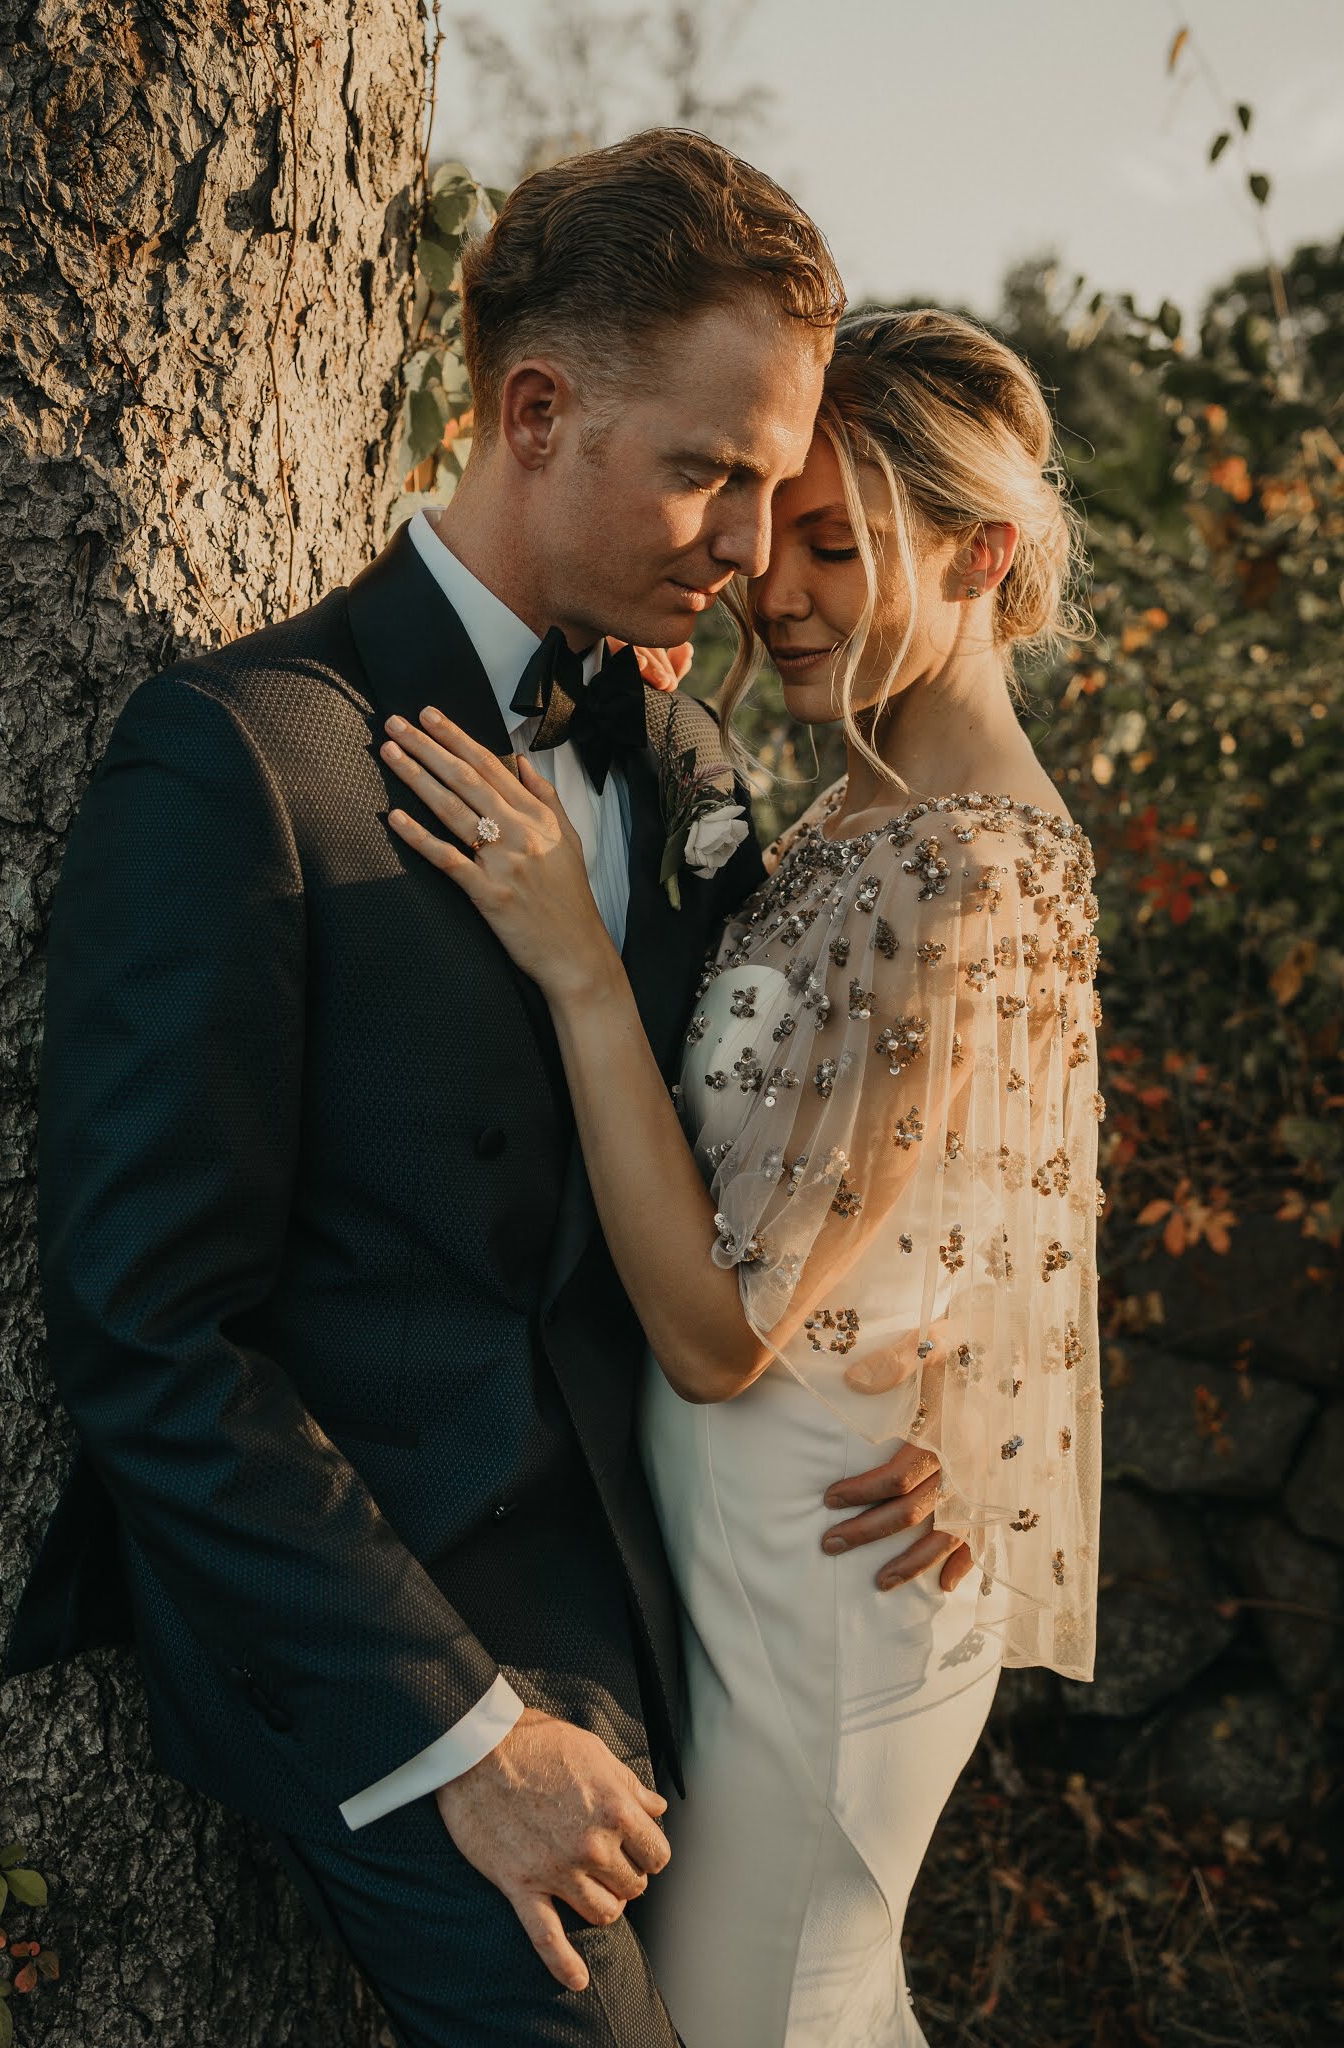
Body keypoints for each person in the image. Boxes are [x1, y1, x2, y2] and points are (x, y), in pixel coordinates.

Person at [0, 129, 852, 2046]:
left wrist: (904, 1412)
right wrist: (463, 1734)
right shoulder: (239, 764)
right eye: (711, 472)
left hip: (668, 1591)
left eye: (774, 485)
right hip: (395, 1629)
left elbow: (743, 1187)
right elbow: (150, 1331)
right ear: (535, 411)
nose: (744, 545)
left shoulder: (693, 768)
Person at [382, 306, 1104, 2046]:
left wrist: (571, 959)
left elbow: (720, 1335)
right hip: (731, 1539)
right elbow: (980, 1183)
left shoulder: (968, 875)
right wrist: (966, 1368)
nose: (777, 591)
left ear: (985, 551)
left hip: (826, 1573)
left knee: (767, 2017)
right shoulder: (852, 815)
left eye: (840, 548)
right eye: (777, 541)